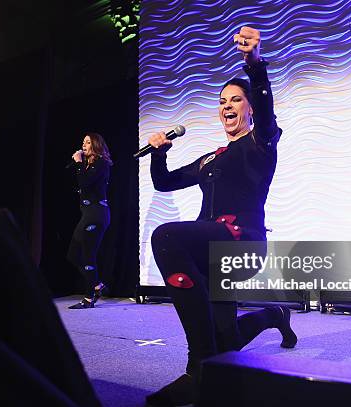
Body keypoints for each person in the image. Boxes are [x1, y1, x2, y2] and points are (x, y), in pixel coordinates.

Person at [145, 27, 297, 406]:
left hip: (241, 244)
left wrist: (256, 66)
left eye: (235, 99)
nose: (227, 105)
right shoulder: (210, 158)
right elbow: (164, 183)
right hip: (208, 252)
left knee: (166, 236)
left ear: (248, 107)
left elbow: (266, 111)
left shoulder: (261, 142)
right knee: (226, 342)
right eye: (221, 101)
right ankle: (275, 314)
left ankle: (198, 369)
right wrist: (159, 151)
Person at [66, 132, 112, 309]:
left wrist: (78, 163)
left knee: (87, 255)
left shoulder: (101, 162)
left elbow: (84, 183)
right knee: (73, 255)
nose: (83, 145)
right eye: (82, 142)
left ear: (95, 145)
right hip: (88, 214)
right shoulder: (88, 165)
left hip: (96, 214)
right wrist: (80, 165)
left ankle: (88, 298)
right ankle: (97, 285)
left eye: (87, 142)